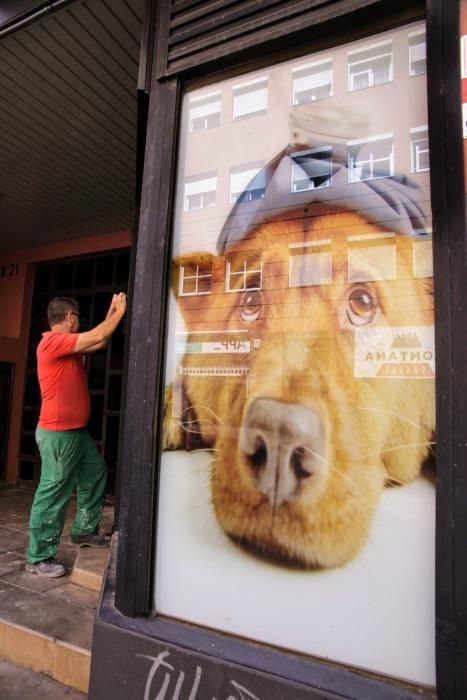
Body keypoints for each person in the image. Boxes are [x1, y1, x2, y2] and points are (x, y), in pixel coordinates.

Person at [25, 293, 127, 578]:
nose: (79, 322)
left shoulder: (69, 346)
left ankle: (83, 530)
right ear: (69, 317)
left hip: (76, 434)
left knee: (95, 473)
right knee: (53, 493)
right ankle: (38, 557)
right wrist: (120, 312)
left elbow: (100, 339)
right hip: (58, 434)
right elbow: (99, 334)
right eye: (77, 317)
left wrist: (111, 311)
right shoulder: (52, 342)